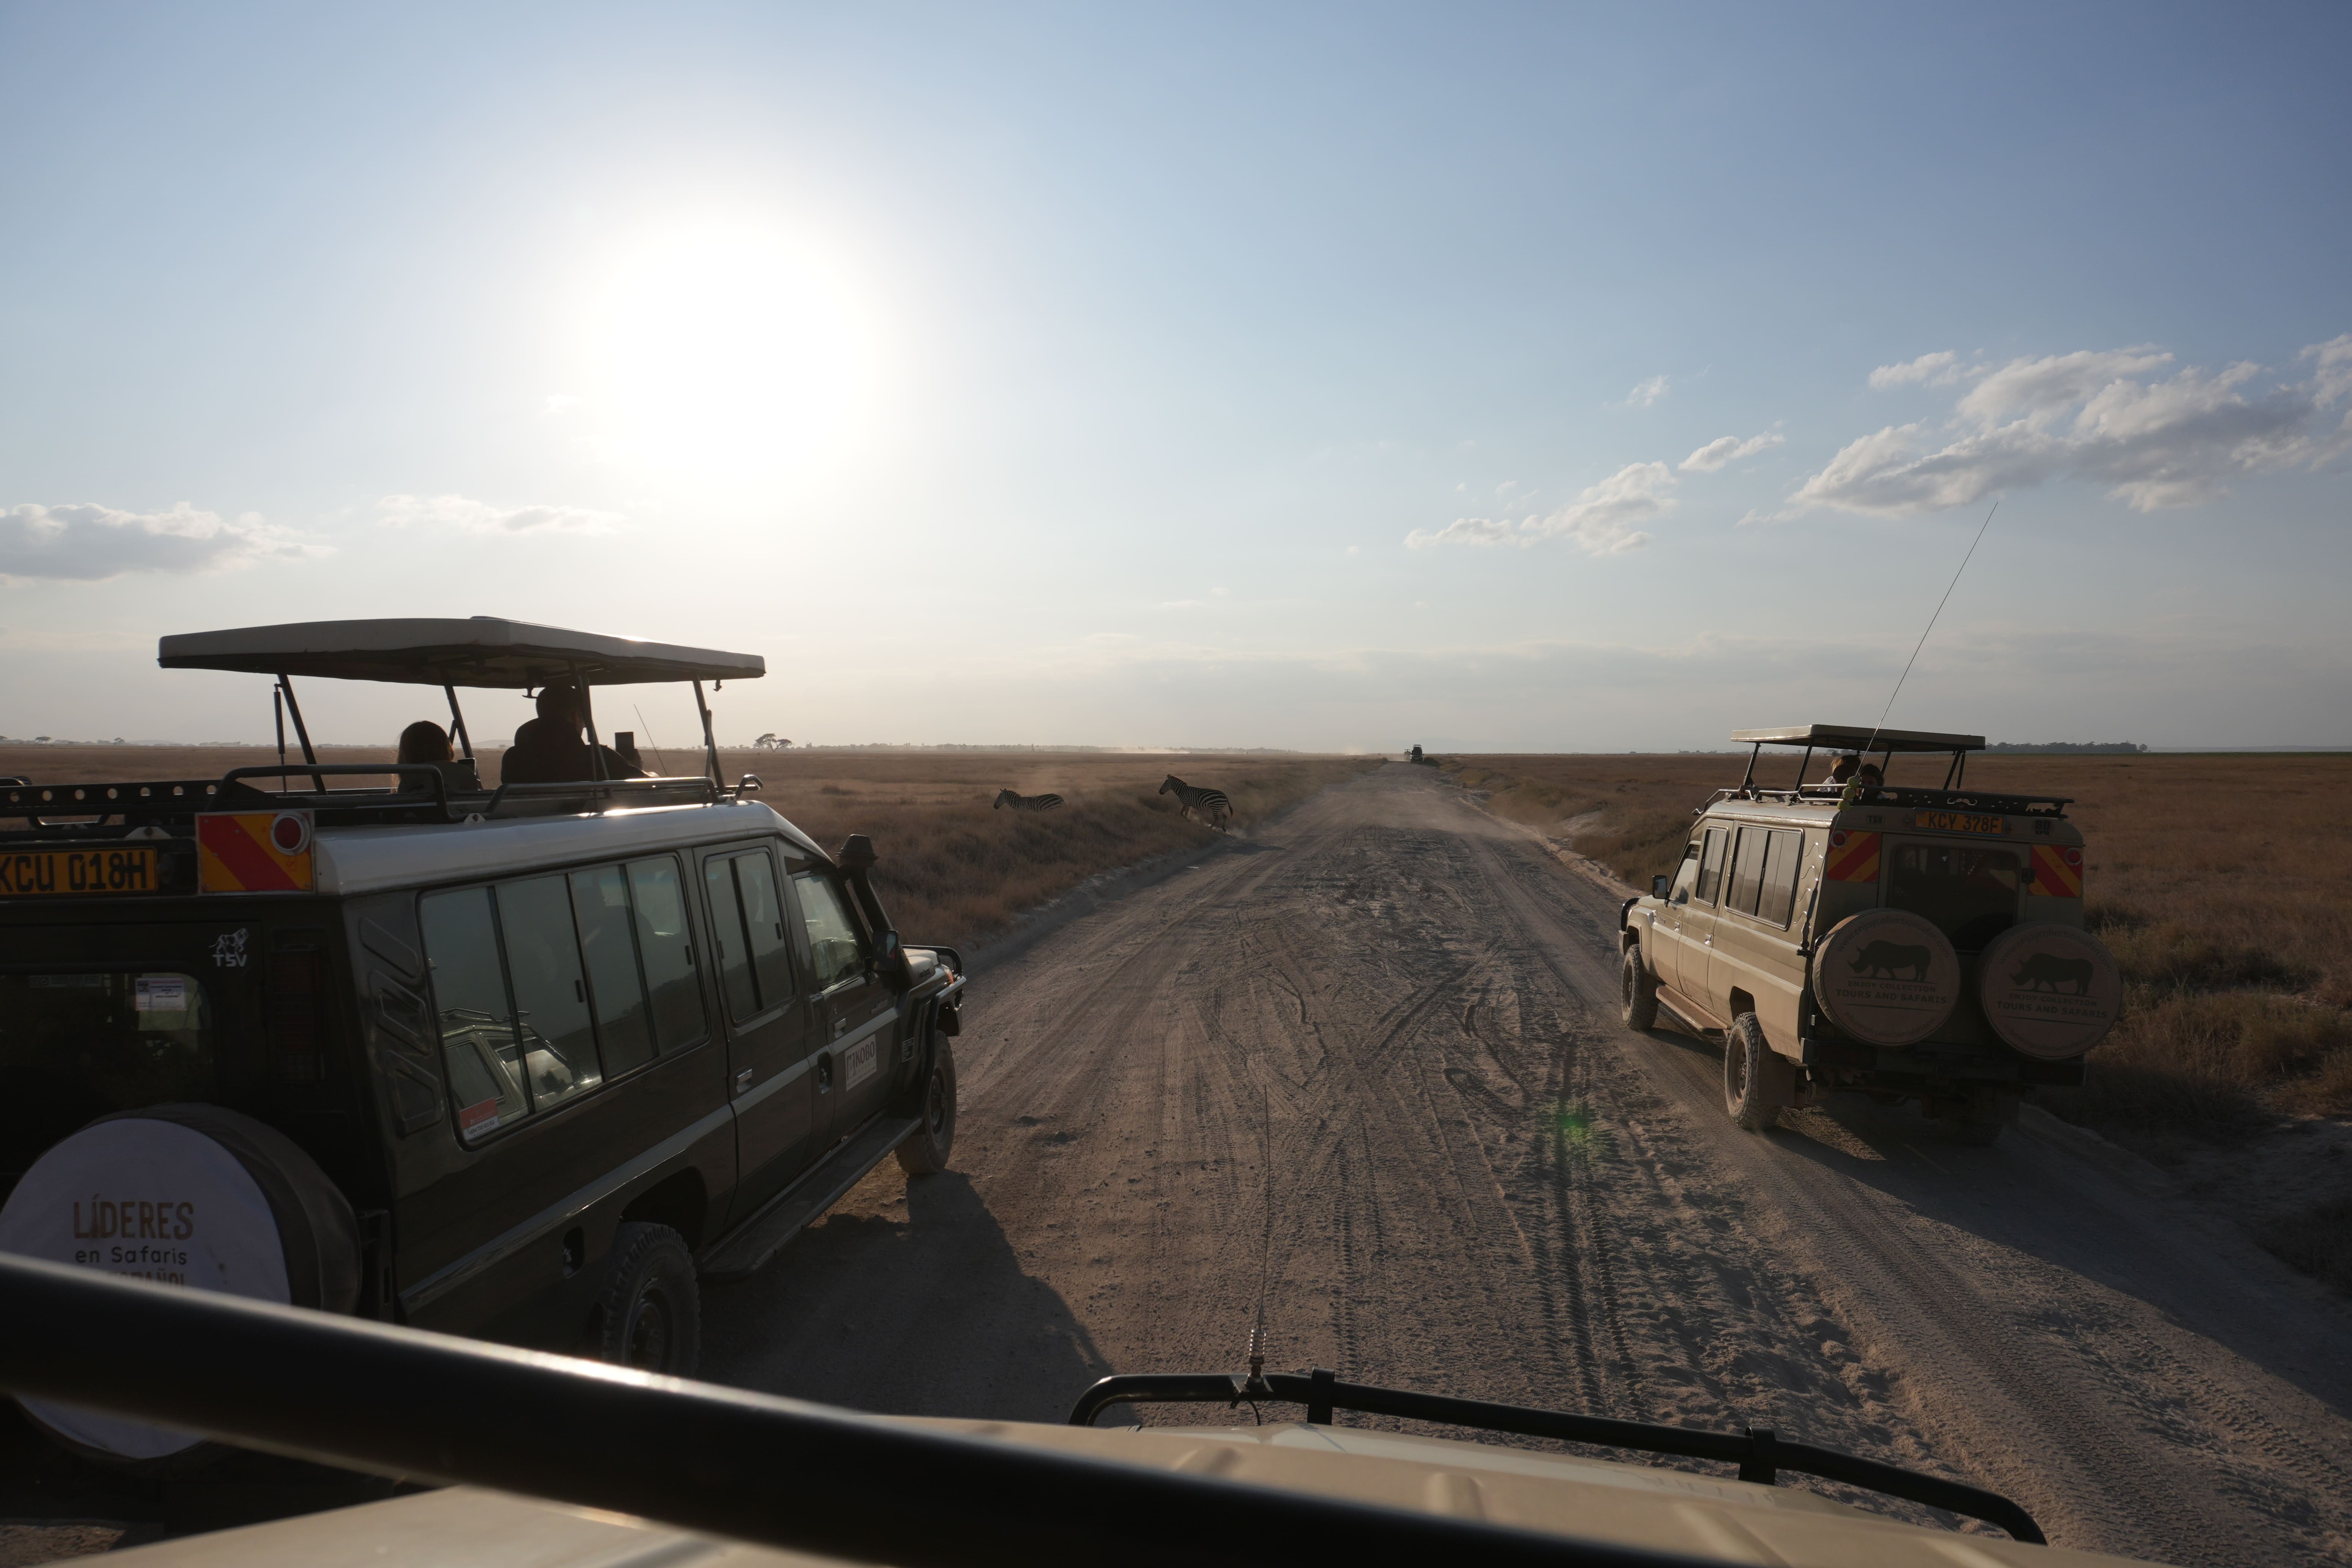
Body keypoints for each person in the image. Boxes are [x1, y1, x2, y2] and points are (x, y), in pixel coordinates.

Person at [500, 682, 645, 785]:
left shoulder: (514, 759)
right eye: (583, 718)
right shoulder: (598, 758)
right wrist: (637, 768)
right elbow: (649, 785)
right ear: (576, 718)